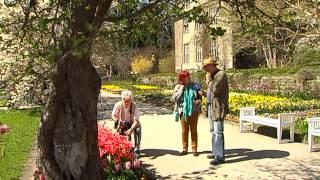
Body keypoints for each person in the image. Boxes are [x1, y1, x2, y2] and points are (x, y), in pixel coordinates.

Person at [202, 57, 229, 165]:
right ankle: (215, 152)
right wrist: (203, 93)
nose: (205, 70)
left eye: (206, 67)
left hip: (218, 107)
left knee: (218, 132)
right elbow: (211, 92)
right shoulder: (212, 75)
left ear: (212, 66)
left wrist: (208, 80)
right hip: (211, 106)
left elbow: (215, 89)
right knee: (213, 130)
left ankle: (220, 156)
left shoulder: (220, 75)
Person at [171, 70, 202, 156]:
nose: (188, 77)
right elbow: (173, 99)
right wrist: (181, 89)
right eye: (186, 76)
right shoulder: (178, 87)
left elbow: (200, 97)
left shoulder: (195, 86)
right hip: (183, 111)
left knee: (194, 130)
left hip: (194, 111)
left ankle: (194, 149)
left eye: (188, 76)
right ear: (182, 78)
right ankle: (184, 149)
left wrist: (198, 101)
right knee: (184, 131)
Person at [112, 90, 142, 156]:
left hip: (132, 123)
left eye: (127, 101)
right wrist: (117, 120)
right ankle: (125, 147)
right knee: (122, 135)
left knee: (138, 130)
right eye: (124, 100)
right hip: (122, 122)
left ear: (131, 99)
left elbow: (136, 121)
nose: (126, 102)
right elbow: (113, 115)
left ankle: (137, 148)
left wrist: (131, 129)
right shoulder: (118, 105)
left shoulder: (134, 106)